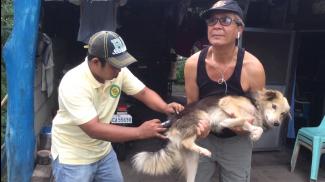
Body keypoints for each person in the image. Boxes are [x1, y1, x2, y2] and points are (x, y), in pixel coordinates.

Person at [51, 31, 184, 182]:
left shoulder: (118, 71)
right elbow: (93, 129)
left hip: (103, 151)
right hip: (73, 157)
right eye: (115, 66)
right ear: (95, 62)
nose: (120, 70)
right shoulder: (74, 83)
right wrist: (140, 132)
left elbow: (143, 93)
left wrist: (165, 108)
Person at [184, 0, 266, 182]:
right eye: (212, 21)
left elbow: (259, 114)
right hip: (204, 137)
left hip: (237, 142)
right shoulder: (193, 64)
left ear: (239, 29)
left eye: (226, 20)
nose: (217, 26)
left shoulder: (253, 68)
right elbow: (192, 105)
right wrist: (197, 125)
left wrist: (244, 128)